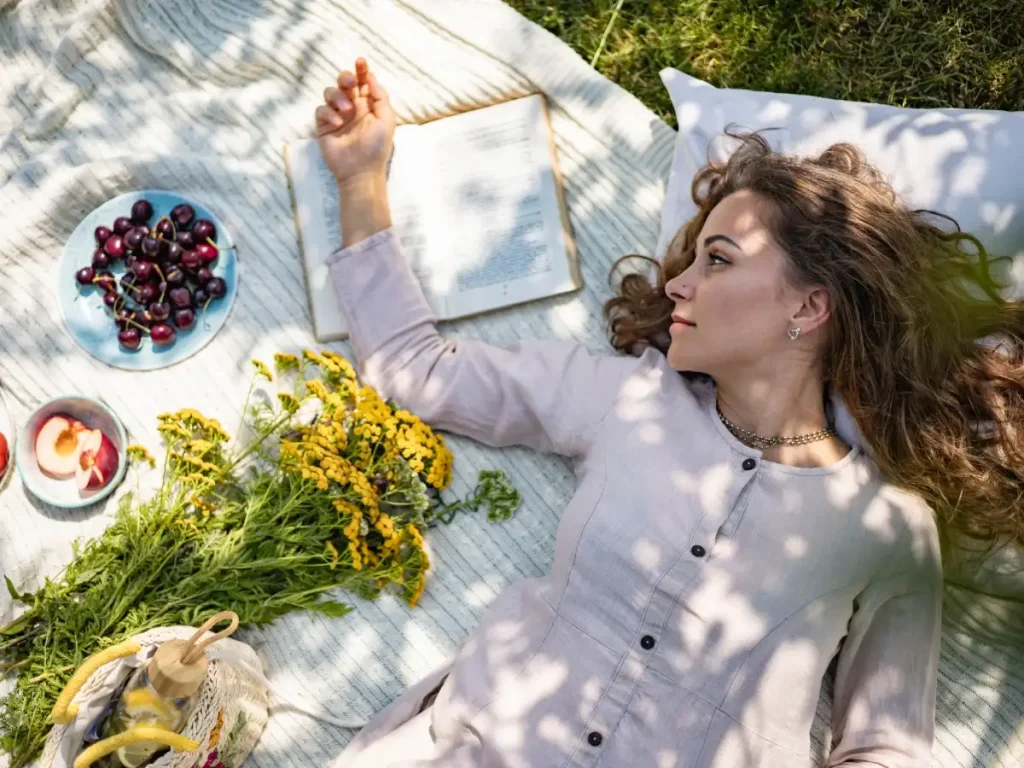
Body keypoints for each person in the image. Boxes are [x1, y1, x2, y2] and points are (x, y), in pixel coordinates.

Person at [315, 59, 1024, 767]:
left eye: (717, 260)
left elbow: (885, 747)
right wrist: (359, 178)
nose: (678, 282)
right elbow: (419, 369)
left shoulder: (891, 528)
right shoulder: (627, 398)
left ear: (810, 306)